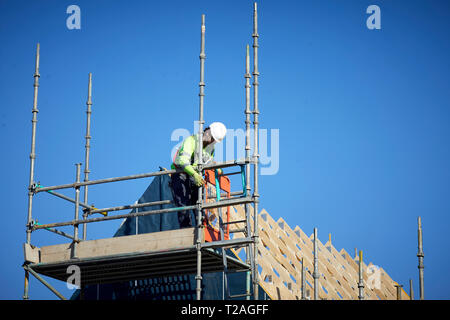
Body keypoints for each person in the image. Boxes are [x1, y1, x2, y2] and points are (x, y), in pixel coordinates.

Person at [170, 122, 227, 228]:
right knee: (183, 206)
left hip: (194, 177)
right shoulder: (191, 141)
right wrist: (195, 175)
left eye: (214, 140)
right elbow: (182, 161)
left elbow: (208, 161)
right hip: (181, 175)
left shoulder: (210, 148)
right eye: (212, 138)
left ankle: (200, 230)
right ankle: (187, 233)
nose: (212, 141)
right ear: (207, 131)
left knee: (199, 206)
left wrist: (216, 167)